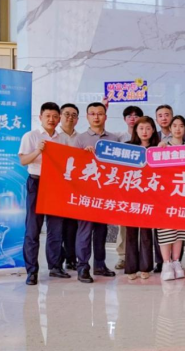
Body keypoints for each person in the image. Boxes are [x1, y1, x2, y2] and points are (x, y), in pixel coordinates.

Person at [18, 102, 70, 285]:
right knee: (33, 229)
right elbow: (23, 160)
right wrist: (38, 150)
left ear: (59, 118)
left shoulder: (63, 138)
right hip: (37, 182)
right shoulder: (31, 136)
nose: (51, 119)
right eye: (48, 116)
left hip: (56, 185)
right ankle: (32, 271)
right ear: (40, 117)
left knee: (56, 229)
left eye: (55, 116)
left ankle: (55, 267)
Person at [74, 102, 120, 283]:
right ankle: (82, 267)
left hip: (105, 193)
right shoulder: (80, 139)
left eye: (100, 113)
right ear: (87, 117)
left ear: (105, 116)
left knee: (101, 231)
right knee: (85, 231)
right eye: (92, 113)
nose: (96, 117)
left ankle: (100, 265)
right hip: (86, 193)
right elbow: (73, 166)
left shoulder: (114, 139)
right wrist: (83, 155)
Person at [156, 115, 185, 281]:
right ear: (170, 129)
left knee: (180, 230)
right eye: (175, 126)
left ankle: (176, 261)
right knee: (165, 229)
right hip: (165, 195)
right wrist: (159, 149)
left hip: (184, 194)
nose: (178, 129)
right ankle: (166, 263)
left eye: (181, 126)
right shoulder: (163, 147)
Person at [124, 116, 159, 280]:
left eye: (148, 128)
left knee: (146, 233)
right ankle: (131, 268)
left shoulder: (157, 149)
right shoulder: (127, 148)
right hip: (131, 196)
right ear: (135, 130)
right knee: (130, 233)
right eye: (141, 128)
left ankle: (146, 267)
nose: (144, 132)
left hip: (149, 196)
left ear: (153, 130)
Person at [114, 105, 143, 271]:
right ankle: (123, 256)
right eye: (129, 116)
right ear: (125, 119)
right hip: (126, 186)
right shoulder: (119, 137)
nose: (133, 118)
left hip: (145, 186)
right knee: (124, 224)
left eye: (136, 115)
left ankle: (145, 257)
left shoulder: (149, 136)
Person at [57, 103, 80, 271]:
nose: (70, 118)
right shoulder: (54, 137)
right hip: (56, 186)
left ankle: (71, 259)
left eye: (74, 115)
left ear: (77, 119)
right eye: (67, 114)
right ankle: (57, 260)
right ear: (60, 116)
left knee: (72, 226)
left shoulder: (80, 138)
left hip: (75, 188)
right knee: (56, 227)